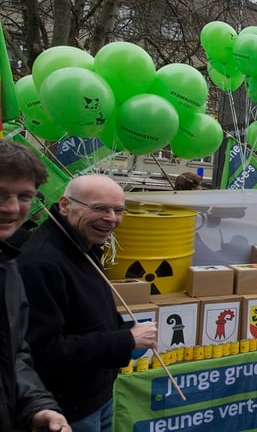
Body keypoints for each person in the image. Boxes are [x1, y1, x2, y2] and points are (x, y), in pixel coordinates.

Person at [19, 174, 158, 431]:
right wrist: (126, 340)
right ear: (64, 205)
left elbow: (85, 318)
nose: (112, 219)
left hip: (98, 396)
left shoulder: (83, 244)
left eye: (118, 210)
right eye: (100, 208)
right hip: (67, 410)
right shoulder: (41, 263)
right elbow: (42, 352)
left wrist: (121, 330)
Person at [0, 141, 72, 432]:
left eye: (25, 196)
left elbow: (13, 354)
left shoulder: (8, 265)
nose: (12, 208)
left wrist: (37, 406)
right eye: (1, 195)